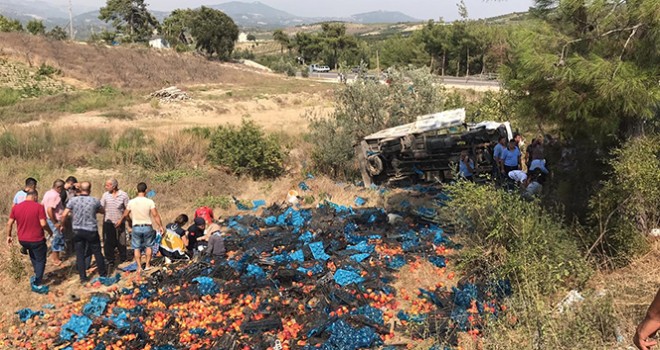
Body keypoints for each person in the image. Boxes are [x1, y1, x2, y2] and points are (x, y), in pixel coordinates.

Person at [61, 182, 107, 283]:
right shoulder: (94, 201)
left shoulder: (73, 200)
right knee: (97, 252)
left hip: (77, 230)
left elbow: (64, 214)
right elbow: (103, 211)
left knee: (80, 253)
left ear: (80, 189)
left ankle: (83, 277)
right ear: (89, 190)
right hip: (91, 230)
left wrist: (62, 225)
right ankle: (103, 274)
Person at [6, 189, 53, 287]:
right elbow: (43, 224)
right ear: (35, 197)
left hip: (23, 240)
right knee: (41, 259)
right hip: (37, 239)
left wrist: (9, 235)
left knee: (33, 255)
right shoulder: (39, 207)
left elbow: (9, 223)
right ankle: (38, 282)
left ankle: (38, 274)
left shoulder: (16, 208)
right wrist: (50, 231)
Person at [119, 182, 165, 274]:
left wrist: (129, 222)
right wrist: (160, 226)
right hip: (147, 227)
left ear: (137, 190)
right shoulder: (149, 202)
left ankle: (139, 267)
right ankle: (147, 265)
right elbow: (155, 215)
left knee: (136, 248)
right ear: (146, 190)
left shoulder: (131, 202)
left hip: (136, 227)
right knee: (149, 246)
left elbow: (125, 214)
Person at [100, 178, 129, 270]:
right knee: (108, 242)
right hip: (108, 222)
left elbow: (127, 209)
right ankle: (110, 260)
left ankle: (123, 258)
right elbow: (101, 207)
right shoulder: (105, 195)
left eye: (108, 185)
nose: (106, 187)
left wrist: (121, 220)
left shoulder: (123, 195)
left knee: (121, 240)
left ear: (114, 186)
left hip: (120, 221)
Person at [42, 179, 66, 266]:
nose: (63, 190)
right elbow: (49, 209)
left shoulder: (48, 193)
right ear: (58, 187)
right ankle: (55, 259)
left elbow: (42, 205)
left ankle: (56, 257)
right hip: (53, 220)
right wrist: (55, 222)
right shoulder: (55, 196)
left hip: (49, 219)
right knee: (57, 237)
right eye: (62, 188)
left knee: (55, 237)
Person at [60, 176, 78, 258]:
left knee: (73, 232)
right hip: (66, 214)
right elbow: (60, 202)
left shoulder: (74, 190)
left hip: (73, 214)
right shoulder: (63, 191)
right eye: (71, 184)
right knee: (67, 233)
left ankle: (72, 249)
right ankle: (67, 250)